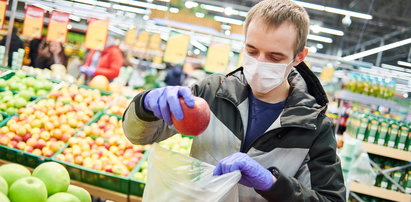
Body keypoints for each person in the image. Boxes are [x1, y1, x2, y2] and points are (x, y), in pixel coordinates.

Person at [122, 0, 346, 201]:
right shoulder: (212, 92)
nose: (259, 63)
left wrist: (274, 184)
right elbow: (139, 135)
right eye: (252, 50)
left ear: (299, 57)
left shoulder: (314, 127)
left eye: (275, 57)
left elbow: (331, 199)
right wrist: (145, 105)